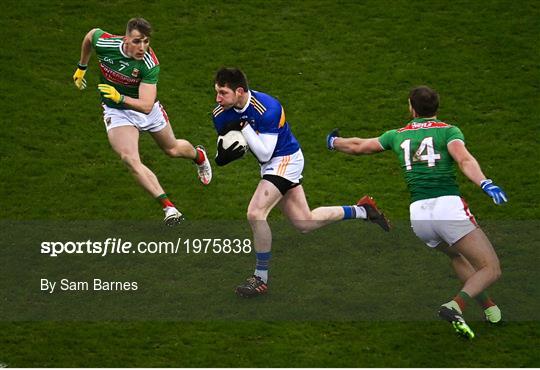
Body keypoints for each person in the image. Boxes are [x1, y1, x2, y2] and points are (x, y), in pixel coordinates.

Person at [327, 86, 507, 339]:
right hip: (448, 208)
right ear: (437, 107)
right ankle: (455, 306)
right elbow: (464, 159)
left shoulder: (397, 135)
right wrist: (485, 183)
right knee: (491, 268)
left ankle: (489, 309)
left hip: (420, 217)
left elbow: (359, 146)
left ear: (411, 107)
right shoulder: (448, 131)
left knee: (457, 256)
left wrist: (334, 142)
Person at [212, 67, 391, 297]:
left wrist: (244, 127)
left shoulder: (268, 108)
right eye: (216, 92)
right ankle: (363, 211)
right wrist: (222, 156)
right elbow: (228, 147)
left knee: (255, 213)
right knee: (304, 223)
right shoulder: (220, 113)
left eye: (223, 93)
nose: (218, 99)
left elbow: (266, 152)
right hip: (269, 165)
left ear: (239, 91)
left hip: (286, 159)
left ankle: (260, 278)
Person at [72, 18, 212, 225]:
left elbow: (146, 105)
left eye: (146, 41)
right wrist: (82, 66)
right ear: (126, 38)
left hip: (146, 110)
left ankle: (198, 156)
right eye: (137, 41)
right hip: (117, 112)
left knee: (172, 149)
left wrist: (120, 97)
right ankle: (169, 208)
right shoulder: (106, 44)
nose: (142, 47)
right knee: (129, 158)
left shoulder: (149, 63)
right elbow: (90, 36)